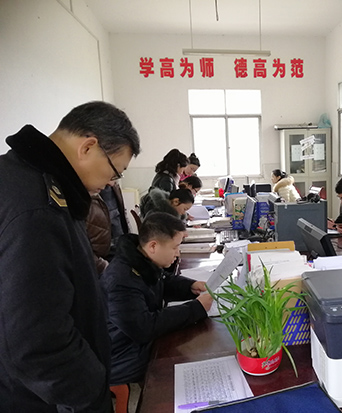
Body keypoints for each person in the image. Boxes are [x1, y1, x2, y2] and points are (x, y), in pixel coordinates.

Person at [0, 101, 140, 412]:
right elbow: (38, 344)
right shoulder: (38, 208)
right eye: (115, 171)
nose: (112, 183)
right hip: (39, 399)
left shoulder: (25, 178)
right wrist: (93, 394)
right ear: (88, 147)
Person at [100, 212, 213, 385]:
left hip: (136, 342)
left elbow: (162, 281)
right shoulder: (121, 280)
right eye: (174, 247)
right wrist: (196, 308)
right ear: (153, 246)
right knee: (191, 357)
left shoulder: (140, 259)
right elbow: (143, 327)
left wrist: (191, 286)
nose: (177, 253)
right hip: (122, 355)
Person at [86, 181, 129, 275]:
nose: (112, 182)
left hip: (120, 253)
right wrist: (104, 267)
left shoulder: (113, 186)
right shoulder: (86, 190)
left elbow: (121, 215)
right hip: (101, 265)